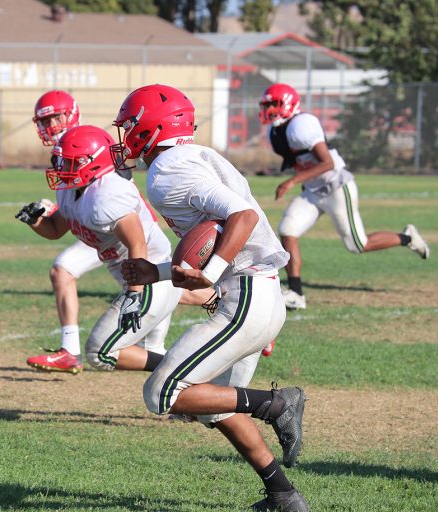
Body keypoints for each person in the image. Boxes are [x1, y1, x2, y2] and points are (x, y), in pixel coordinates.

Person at [116, 84, 310, 512]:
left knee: (162, 393)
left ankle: (278, 403)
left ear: (152, 126)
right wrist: (160, 272)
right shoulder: (189, 157)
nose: (125, 136)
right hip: (254, 293)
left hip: (246, 295)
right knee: (211, 405)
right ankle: (283, 495)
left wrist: (212, 274)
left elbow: (242, 217)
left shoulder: (169, 170)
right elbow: (210, 241)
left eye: (130, 126)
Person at [17, 125, 183, 373]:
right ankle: (186, 379)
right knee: (153, 355)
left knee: (100, 352)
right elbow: (55, 230)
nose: (61, 168)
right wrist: (35, 221)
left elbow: (137, 243)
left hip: (150, 275)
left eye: (69, 162)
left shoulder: (106, 196)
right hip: (137, 276)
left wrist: (133, 295)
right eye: (60, 161)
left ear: (92, 163)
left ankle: (184, 369)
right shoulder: (72, 191)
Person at [259, 83, 430, 310]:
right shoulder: (275, 133)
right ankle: (296, 293)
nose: (269, 109)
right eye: (267, 105)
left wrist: (292, 181)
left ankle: (407, 237)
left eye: (274, 104)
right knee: (288, 230)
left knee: (358, 244)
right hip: (313, 190)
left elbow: (327, 163)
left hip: (336, 186)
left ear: (289, 104)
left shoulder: (301, 125)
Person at [17, 90, 100, 373]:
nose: (50, 125)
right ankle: (70, 351)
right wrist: (43, 216)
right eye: (45, 120)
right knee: (62, 270)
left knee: (175, 289)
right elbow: (68, 215)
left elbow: (100, 197)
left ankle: (220, 298)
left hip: (116, 229)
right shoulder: (60, 153)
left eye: (55, 117)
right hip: (97, 232)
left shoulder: (87, 142)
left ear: (71, 113)